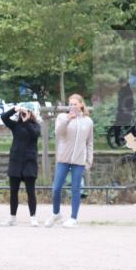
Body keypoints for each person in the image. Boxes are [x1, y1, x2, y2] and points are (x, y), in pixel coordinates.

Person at [45, 94, 94, 228]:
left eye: (74, 104)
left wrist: (89, 161)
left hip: (79, 161)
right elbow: (58, 133)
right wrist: (67, 119)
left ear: (81, 105)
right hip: (63, 159)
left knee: (76, 189)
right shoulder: (62, 117)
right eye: (70, 104)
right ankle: (56, 214)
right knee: (56, 188)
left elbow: (89, 143)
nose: (72, 106)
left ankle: (73, 218)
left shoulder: (88, 121)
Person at [0, 105, 41, 227]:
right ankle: (12, 217)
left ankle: (33, 217)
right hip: (16, 161)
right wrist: (15, 109)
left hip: (29, 162)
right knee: (13, 191)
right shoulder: (15, 125)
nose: (23, 114)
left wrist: (27, 121)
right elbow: (3, 117)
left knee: (30, 191)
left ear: (31, 113)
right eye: (22, 113)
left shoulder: (35, 125)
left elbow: (34, 135)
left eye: (26, 112)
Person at [113, 78, 135, 146]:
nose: (121, 84)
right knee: (119, 127)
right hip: (121, 111)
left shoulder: (128, 90)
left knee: (127, 127)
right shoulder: (121, 90)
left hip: (126, 112)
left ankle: (131, 144)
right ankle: (118, 141)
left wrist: (127, 109)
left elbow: (130, 101)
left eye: (121, 83)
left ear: (124, 82)